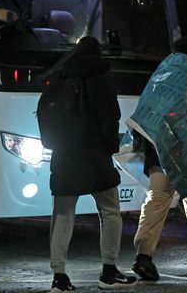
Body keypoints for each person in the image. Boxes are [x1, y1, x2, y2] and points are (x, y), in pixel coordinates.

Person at [37, 36, 137, 292]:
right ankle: (109, 270)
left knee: (62, 214)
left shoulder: (60, 76)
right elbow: (109, 117)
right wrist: (109, 148)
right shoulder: (101, 77)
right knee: (110, 211)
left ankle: (59, 276)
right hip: (94, 156)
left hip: (64, 156)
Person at [131, 37, 187, 281]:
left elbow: (142, 116)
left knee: (156, 201)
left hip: (160, 154)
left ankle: (143, 257)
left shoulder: (158, 79)